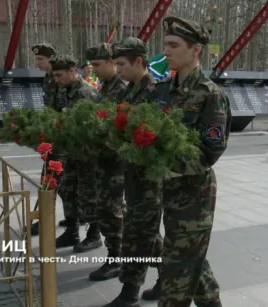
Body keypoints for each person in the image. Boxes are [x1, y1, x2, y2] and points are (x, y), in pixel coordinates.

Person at [151, 16, 230, 307]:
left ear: (195, 50)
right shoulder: (162, 91)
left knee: (177, 272)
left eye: (173, 45)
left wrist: (165, 165)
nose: (166, 52)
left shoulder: (210, 95)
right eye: (165, 45)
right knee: (191, 258)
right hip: (168, 190)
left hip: (194, 193)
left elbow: (211, 151)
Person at [104, 37, 163, 306]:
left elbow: (158, 138)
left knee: (138, 236)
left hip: (149, 176)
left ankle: (130, 294)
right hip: (133, 173)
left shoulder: (155, 92)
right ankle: (167, 278)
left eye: (121, 64)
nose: (118, 70)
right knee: (148, 234)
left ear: (139, 61)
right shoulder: (130, 91)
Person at [82, 43, 126, 279]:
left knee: (114, 211)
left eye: (98, 65)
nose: (93, 69)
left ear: (111, 62)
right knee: (106, 210)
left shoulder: (122, 88)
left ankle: (118, 258)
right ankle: (115, 254)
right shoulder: (106, 86)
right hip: (103, 160)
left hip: (116, 162)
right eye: (92, 65)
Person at [50, 55, 100, 249]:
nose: (57, 79)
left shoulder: (87, 93)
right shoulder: (64, 91)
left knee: (89, 193)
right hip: (69, 152)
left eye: (60, 75)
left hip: (86, 153)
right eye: (54, 75)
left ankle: (94, 234)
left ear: (73, 71)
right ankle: (72, 232)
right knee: (67, 190)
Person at [29, 43, 69, 235]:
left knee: (55, 179)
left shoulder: (58, 78)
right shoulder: (48, 77)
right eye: (36, 59)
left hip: (60, 135)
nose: (37, 63)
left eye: (40, 59)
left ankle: (52, 219)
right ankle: (46, 217)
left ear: (51, 59)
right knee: (50, 178)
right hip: (53, 133)